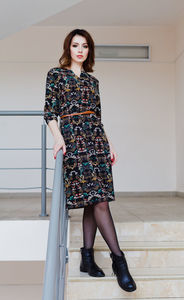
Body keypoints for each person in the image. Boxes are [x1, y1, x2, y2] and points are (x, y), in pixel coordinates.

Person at [43, 28, 136, 293]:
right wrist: (57, 137)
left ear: (89, 51)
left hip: (95, 140)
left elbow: (97, 116)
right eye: (75, 45)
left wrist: (110, 144)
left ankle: (87, 258)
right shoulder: (56, 75)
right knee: (95, 200)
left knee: (96, 199)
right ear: (68, 48)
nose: (80, 50)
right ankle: (119, 261)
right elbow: (50, 111)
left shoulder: (92, 82)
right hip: (73, 140)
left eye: (84, 46)